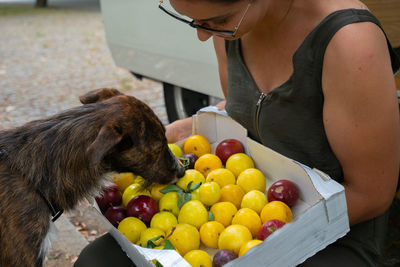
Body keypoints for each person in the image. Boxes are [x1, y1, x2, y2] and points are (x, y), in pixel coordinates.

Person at [74, 0, 400, 266]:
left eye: (217, 18)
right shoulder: (228, 27)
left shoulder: (350, 43)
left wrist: (265, 243)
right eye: (191, 20)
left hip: (335, 231)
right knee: (96, 261)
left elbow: (372, 195)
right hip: (239, 210)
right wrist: (180, 131)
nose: (203, 36)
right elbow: (243, 107)